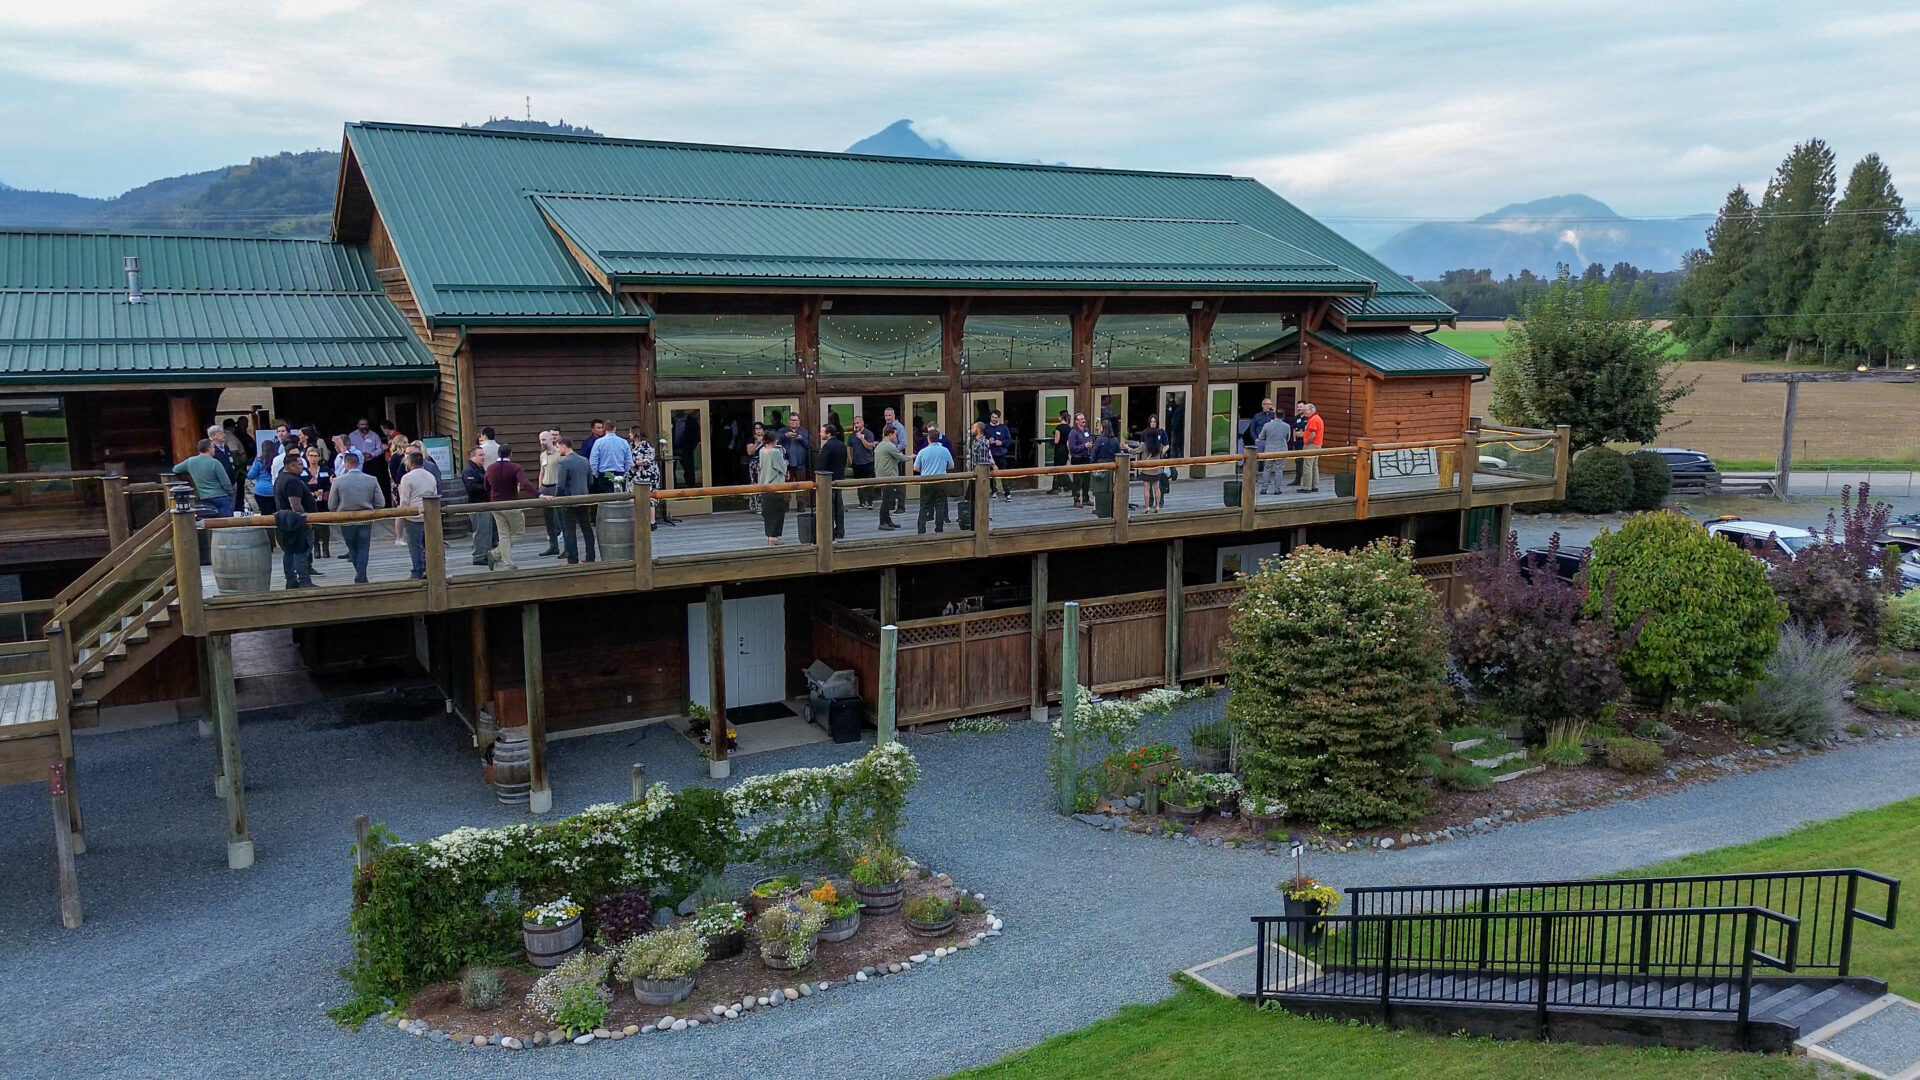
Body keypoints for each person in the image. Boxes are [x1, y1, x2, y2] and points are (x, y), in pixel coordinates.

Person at [327, 451, 384, 584]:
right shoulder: (372, 479)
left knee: (352, 547)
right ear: (358, 464)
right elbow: (380, 503)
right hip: (365, 517)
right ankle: (361, 575)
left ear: (346, 465)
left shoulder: (338, 481)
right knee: (364, 546)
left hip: (346, 519)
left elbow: (331, 505)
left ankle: (360, 574)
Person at [484, 442, 538, 569]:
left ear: (498, 454)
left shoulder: (490, 468)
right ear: (511, 454)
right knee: (518, 532)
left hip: (495, 504)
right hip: (510, 503)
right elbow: (524, 484)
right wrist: (538, 494)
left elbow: (486, 486)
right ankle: (496, 554)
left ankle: (507, 563)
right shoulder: (515, 467)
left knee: (503, 534)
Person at [547, 436, 595, 564]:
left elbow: (560, 485)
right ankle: (591, 556)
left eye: (558, 447)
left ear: (564, 446)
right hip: (584, 498)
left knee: (569, 530)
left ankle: (572, 559)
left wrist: (557, 498)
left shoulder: (564, 462)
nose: (557, 450)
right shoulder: (584, 460)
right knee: (586, 528)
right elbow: (590, 481)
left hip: (569, 500)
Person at [273, 453, 316, 588]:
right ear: (291, 466)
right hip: (296, 522)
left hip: (284, 521)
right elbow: (295, 505)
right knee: (301, 552)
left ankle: (291, 579)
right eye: (300, 464)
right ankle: (304, 581)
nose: (303, 467)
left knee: (289, 552)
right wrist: (305, 521)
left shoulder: (280, 478)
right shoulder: (293, 481)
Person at [395, 450, 437, 579]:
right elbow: (434, 494)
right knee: (431, 544)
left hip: (413, 516)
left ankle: (417, 571)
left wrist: (401, 514)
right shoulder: (431, 476)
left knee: (415, 545)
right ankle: (433, 569)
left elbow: (404, 500)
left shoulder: (407, 478)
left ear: (410, 463)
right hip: (429, 514)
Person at [172, 439, 235, 517]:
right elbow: (225, 482)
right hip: (221, 497)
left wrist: (189, 471)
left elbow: (175, 469)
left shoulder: (190, 461)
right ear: (209, 449)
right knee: (225, 522)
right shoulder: (215, 463)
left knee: (207, 522)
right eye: (213, 447)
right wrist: (230, 493)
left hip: (204, 498)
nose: (214, 449)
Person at [912, 422, 954, 534]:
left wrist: (925, 469)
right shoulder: (945, 450)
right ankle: (939, 528)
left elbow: (916, 468)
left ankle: (921, 529)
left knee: (923, 506)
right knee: (940, 505)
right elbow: (951, 466)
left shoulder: (922, 452)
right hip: (941, 481)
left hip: (926, 481)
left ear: (928, 439)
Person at [461, 445, 494, 567]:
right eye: (480, 455)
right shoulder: (469, 470)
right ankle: (479, 556)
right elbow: (471, 487)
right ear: (472, 456)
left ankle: (485, 554)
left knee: (486, 531)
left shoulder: (479, 468)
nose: (483, 457)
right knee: (480, 531)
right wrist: (488, 487)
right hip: (476, 504)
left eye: (483, 455)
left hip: (484, 503)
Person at [756, 426, 789, 545]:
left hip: (764, 484)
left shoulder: (761, 450)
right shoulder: (775, 452)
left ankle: (769, 536)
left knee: (768, 513)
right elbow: (782, 467)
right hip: (775, 485)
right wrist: (785, 463)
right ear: (773, 440)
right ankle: (774, 537)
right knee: (777, 512)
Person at [874, 421, 908, 531]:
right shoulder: (889, 446)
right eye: (895, 435)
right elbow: (900, 457)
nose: (895, 437)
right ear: (890, 434)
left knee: (887, 498)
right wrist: (911, 457)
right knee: (886, 500)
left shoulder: (880, 445)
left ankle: (888, 520)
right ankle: (882, 522)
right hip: (888, 476)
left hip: (881, 476)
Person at [817, 422, 848, 540]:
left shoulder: (827, 447)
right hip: (839, 478)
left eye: (822, 432)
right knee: (838, 505)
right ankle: (840, 530)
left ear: (828, 433)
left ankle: (828, 531)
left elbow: (822, 464)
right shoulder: (842, 445)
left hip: (828, 480)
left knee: (828, 506)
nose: (820, 434)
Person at [304, 445, 332, 564]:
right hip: (310, 501)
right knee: (313, 526)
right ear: (307, 457)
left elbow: (330, 484)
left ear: (319, 457)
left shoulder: (325, 470)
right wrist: (310, 492)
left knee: (324, 524)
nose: (313, 458)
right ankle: (316, 548)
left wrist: (326, 493)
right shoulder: (303, 471)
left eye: (315, 456)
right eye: (311, 456)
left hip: (323, 501)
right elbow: (301, 485)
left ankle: (326, 548)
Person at [537, 430, 564, 555]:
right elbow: (541, 472)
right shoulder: (543, 455)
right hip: (545, 487)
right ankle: (553, 546)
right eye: (540, 440)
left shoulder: (559, 454)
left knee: (559, 517)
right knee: (548, 519)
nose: (541, 442)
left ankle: (567, 547)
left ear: (551, 439)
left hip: (555, 486)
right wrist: (540, 488)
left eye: (544, 439)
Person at [1090, 418, 1122, 519]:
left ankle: (1100, 510)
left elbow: (1094, 454)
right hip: (1112, 468)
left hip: (1101, 466)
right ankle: (1111, 509)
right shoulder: (1115, 440)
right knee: (1111, 490)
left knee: (1099, 490)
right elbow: (1119, 453)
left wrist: (1092, 464)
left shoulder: (1100, 440)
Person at [588, 420, 633, 491]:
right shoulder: (624, 442)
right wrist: (625, 472)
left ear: (604, 428)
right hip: (620, 473)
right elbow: (629, 461)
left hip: (604, 474)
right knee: (620, 496)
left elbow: (593, 461)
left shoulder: (598, 442)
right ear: (615, 428)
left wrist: (596, 474)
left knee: (605, 497)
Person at [1138, 413, 1168, 513]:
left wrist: (1160, 454)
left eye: (1155, 422)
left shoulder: (1161, 432)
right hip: (1154, 464)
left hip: (1152, 464)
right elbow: (1142, 445)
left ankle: (1152, 506)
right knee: (1155, 487)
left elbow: (1167, 445)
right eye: (1151, 422)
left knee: (1152, 487)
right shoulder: (1145, 433)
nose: (1153, 423)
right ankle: (1154, 505)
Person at [348, 417, 385, 495]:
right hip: (356, 463)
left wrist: (371, 454)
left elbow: (381, 449)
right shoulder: (352, 436)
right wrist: (359, 454)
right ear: (358, 425)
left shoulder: (374, 435)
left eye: (366, 424)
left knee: (373, 483)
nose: (364, 426)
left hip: (371, 463)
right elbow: (348, 449)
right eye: (362, 424)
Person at [983, 409, 1014, 500]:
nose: (994, 419)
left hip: (1001, 454)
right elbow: (982, 439)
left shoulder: (1003, 428)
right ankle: (993, 492)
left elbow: (1009, 440)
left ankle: (1007, 493)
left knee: (1003, 474)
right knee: (991, 475)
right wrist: (988, 441)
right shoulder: (986, 428)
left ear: (999, 418)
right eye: (992, 417)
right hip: (990, 455)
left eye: (996, 418)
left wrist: (1001, 442)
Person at [1066, 412, 1093, 508]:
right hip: (1077, 458)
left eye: (1083, 418)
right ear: (1076, 421)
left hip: (1086, 457)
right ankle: (1076, 500)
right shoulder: (1073, 432)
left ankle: (1086, 498)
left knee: (1086, 479)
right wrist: (1084, 446)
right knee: (1077, 480)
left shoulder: (1086, 430)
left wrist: (1090, 445)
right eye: (1081, 419)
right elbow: (1072, 448)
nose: (1083, 420)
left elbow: (1088, 440)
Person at [848, 416, 876, 508]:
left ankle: (870, 502)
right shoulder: (852, 435)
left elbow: (870, 446)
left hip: (867, 462)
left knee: (869, 483)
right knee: (859, 484)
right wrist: (851, 460)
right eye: (854, 423)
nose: (856, 425)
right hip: (856, 463)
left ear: (862, 423)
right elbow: (849, 448)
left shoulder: (868, 433)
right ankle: (862, 502)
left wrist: (861, 438)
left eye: (858, 423)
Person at [1297, 403, 1325, 493]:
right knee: (1314, 466)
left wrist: (1306, 442)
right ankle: (1314, 486)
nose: (1304, 411)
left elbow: (1313, 434)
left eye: (1305, 410)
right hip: (1318, 444)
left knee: (1307, 466)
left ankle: (1306, 487)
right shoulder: (1317, 418)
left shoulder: (1313, 420)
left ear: (1311, 410)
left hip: (1311, 445)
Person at [671, 410, 701, 488]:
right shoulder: (670, 420)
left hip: (686, 450)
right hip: (671, 450)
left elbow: (696, 437)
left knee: (689, 470)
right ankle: (673, 487)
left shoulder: (692, 421)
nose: (679, 411)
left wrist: (689, 448)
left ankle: (691, 488)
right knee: (670, 470)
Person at [778, 412, 810, 482]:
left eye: (795, 420)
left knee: (801, 486)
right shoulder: (782, 431)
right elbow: (776, 442)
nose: (793, 422)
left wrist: (801, 439)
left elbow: (808, 446)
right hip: (786, 464)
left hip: (800, 464)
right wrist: (785, 436)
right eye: (791, 420)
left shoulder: (804, 432)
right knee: (787, 486)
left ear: (798, 421)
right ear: (788, 421)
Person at [246, 446, 278, 516]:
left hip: (261, 491)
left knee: (265, 514)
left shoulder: (259, 461)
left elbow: (251, 475)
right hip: (276, 490)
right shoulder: (277, 460)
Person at [1287, 402, 1310, 487]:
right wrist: (1294, 440)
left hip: (1305, 442)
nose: (1299, 408)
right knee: (1298, 461)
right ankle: (1297, 480)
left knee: (1305, 462)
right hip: (1297, 442)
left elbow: (1309, 431)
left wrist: (1303, 434)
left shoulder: (1308, 418)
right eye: (1298, 407)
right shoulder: (1296, 418)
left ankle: (1305, 481)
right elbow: (1293, 429)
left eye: (1301, 407)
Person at [1050, 409, 1072, 496]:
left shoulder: (1059, 428)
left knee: (1058, 468)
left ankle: (1068, 485)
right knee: (1061, 467)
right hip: (1065, 449)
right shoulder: (1069, 428)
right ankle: (1056, 487)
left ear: (1061, 417)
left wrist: (1050, 442)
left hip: (1059, 449)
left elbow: (1056, 441)